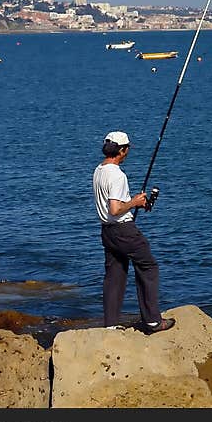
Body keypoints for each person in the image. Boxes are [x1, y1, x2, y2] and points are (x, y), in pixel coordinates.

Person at [93, 131, 176, 334]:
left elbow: (111, 206)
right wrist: (134, 202)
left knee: (115, 275)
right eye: (127, 148)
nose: (128, 152)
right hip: (123, 231)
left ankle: (110, 324)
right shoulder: (117, 175)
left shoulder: (99, 170)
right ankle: (153, 321)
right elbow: (115, 209)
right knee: (148, 266)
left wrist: (134, 204)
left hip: (107, 231)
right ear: (122, 150)